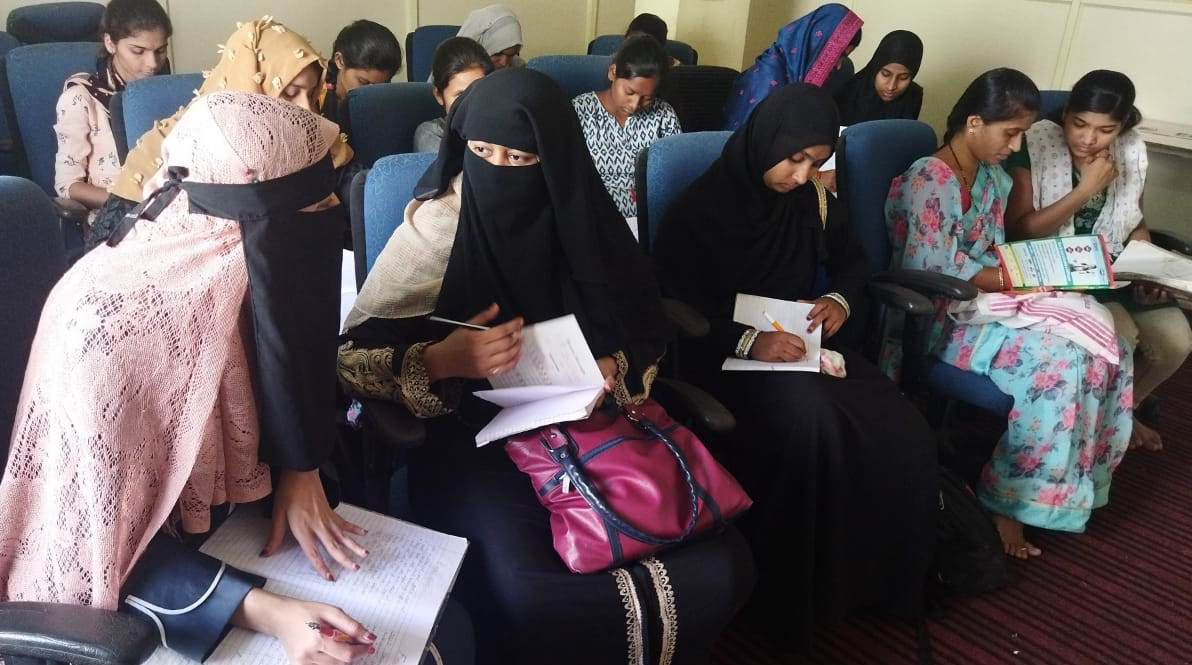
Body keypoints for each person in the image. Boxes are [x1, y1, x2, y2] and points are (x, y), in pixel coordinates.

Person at [0, 91, 472, 665]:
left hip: (253, 537)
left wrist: (300, 466)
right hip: (149, 604)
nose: (329, 214)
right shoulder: (106, 333)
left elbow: (302, 393)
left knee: (443, 633)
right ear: (252, 218)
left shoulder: (242, 273)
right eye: (312, 204)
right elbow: (87, 556)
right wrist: (266, 611)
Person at [338, 67, 755, 665]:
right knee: (530, 587)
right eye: (483, 153)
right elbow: (351, 360)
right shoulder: (439, 227)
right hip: (472, 438)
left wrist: (614, 365)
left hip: (591, 424)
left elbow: (645, 329)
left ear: (553, 158)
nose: (498, 170)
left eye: (519, 158)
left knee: (721, 561)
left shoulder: (584, 220)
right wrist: (442, 358)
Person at [653, 83, 937, 650]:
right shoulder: (697, 211)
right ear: (765, 143)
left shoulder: (813, 202)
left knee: (900, 424)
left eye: (816, 162)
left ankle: (874, 583)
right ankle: (797, 596)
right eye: (795, 159)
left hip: (799, 347)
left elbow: (854, 264)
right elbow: (674, 307)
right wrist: (749, 342)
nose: (803, 175)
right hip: (722, 357)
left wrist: (839, 300)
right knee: (816, 424)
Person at [885, 68, 1135, 560]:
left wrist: (1038, 273)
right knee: (1058, 364)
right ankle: (1009, 501)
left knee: (1106, 348)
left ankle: (1066, 487)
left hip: (985, 306)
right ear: (974, 122)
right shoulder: (929, 178)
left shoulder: (991, 178)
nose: (1016, 145)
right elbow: (929, 267)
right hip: (938, 315)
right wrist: (1013, 279)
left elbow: (998, 252)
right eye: (1011, 133)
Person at [1005, 69, 1191, 452]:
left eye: (1106, 130)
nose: (1088, 139)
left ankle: (1124, 410)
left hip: (1117, 272)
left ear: (1122, 127)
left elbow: (1135, 220)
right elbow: (1022, 230)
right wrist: (1086, 188)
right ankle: (1107, 423)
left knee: (1176, 341)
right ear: (1065, 114)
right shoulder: (1034, 142)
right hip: (1060, 273)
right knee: (1122, 337)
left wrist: (1148, 265)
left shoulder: (1131, 150)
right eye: (1079, 124)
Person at [86, 16, 354, 252]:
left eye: (312, 94)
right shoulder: (172, 148)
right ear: (249, 89)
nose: (306, 110)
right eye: (290, 93)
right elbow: (111, 252)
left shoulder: (313, 139)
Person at [53, 0, 170, 224]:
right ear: (110, 43)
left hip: (171, 208)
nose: (152, 63)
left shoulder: (168, 91)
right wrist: (130, 202)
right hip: (117, 217)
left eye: (160, 50)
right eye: (138, 51)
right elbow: (68, 185)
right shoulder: (82, 97)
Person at [573, 34, 680, 221]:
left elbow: (676, 173)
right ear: (613, 72)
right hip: (595, 217)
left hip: (651, 218)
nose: (634, 105)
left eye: (647, 98)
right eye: (629, 92)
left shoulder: (664, 114)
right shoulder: (580, 110)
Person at [721, 3, 863, 131]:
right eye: (838, 55)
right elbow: (751, 141)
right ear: (816, 43)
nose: (838, 66)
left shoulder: (806, 77)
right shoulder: (766, 81)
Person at [415, 37, 493, 153]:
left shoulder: (501, 127)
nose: (471, 104)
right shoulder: (431, 134)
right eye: (460, 95)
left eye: (479, 92)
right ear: (439, 96)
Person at [323, 19, 402, 127]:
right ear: (340, 61)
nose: (371, 94)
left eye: (379, 87)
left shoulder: (387, 106)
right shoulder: (311, 98)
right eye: (363, 82)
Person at [834, 29, 923, 125]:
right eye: (885, 74)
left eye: (903, 78)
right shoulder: (849, 93)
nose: (891, 87)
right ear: (875, 68)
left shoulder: (913, 95)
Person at [454, 4, 523, 70]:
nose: (504, 63)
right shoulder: (455, 72)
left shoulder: (518, 67)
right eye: (497, 54)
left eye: (511, 55)